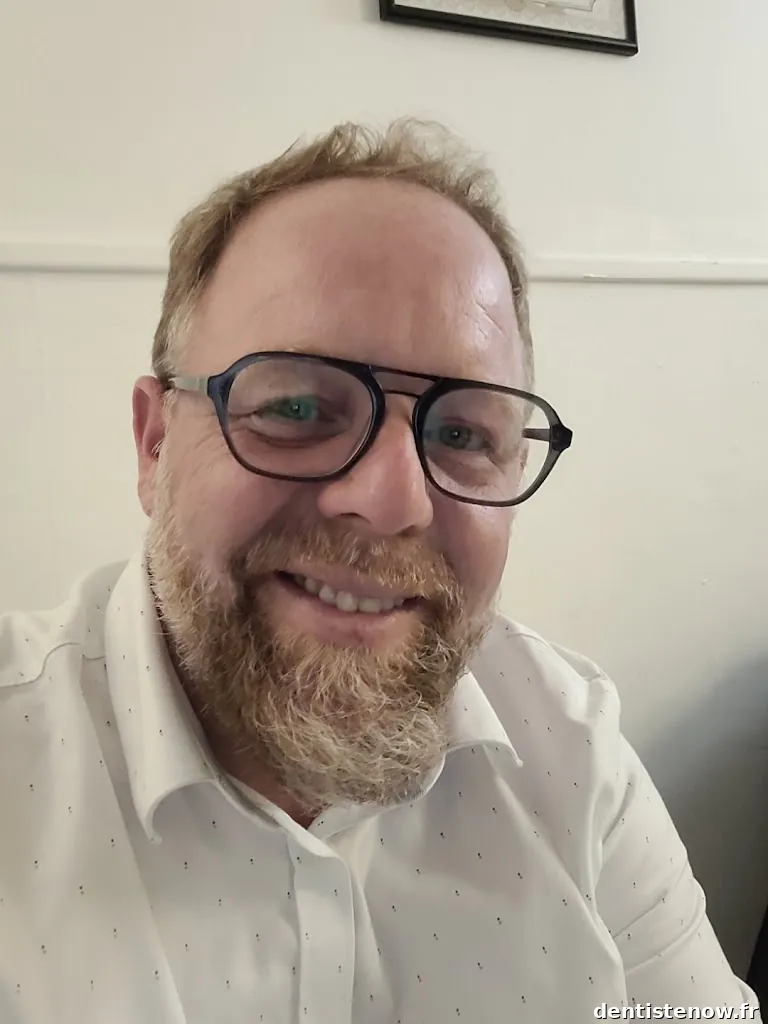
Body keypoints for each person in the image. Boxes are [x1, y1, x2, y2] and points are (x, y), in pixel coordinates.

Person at [0, 120, 760, 1024]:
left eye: (463, 432)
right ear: (155, 441)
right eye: (296, 406)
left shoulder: (573, 753)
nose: (393, 501)